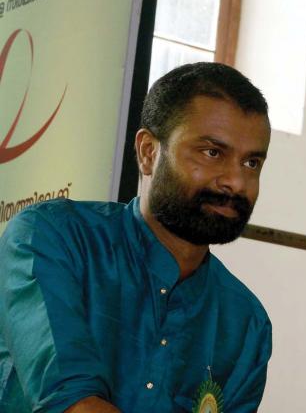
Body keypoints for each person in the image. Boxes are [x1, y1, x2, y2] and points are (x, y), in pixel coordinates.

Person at [0, 62, 273, 412]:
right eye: (212, 153)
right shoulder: (53, 238)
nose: (235, 181)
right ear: (148, 152)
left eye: (251, 163)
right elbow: (72, 402)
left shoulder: (245, 323)